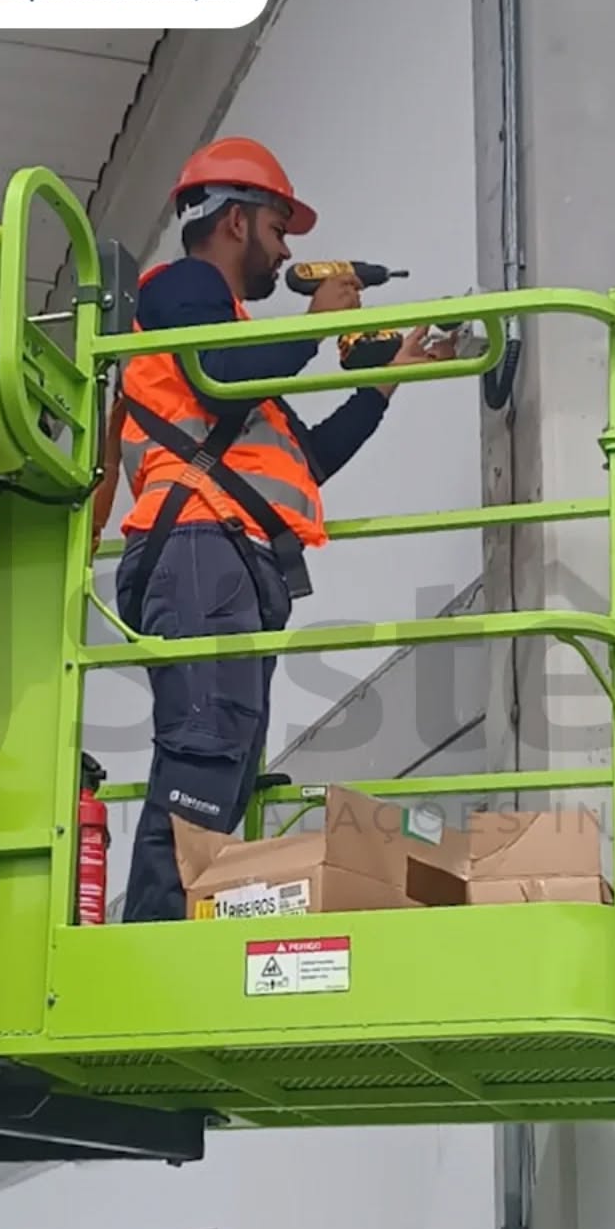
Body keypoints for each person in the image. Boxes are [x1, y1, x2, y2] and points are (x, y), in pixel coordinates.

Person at [90, 136, 454, 924]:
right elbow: (224, 383)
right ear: (235, 221)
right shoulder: (185, 289)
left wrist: (386, 382)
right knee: (205, 755)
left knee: (225, 762)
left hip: (227, 560)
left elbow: (305, 461)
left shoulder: (234, 339)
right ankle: (153, 942)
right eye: (279, 229)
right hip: (200, 549)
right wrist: (316, 324)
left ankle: (183, 931)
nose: (287, 252)